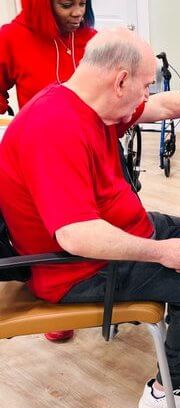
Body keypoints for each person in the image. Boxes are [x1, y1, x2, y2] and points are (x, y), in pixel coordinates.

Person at [0, 28, 180, 408]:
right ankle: (168, 393)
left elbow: (164, 107)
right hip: (76, 269)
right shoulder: (55, 129)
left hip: (110, 233)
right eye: (145, 84)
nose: (148, 93)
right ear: (120, 81)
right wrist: (159, 252)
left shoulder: (85, 102)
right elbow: (74, 234)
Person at [0, 0, 96, 342]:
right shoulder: (12, 38)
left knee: (101, 222)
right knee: (51, 229)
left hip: (93, 153)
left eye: (82, 2)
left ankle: (113, 289)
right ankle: (58, 297)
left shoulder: (91, 41)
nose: (77, 12)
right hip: (42, 159)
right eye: (66, 4)